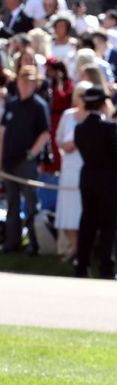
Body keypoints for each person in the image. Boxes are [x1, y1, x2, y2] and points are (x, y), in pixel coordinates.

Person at [73, 85, 117, 278]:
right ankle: (107, 268)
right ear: (103, 103)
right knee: (108, 225)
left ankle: (81, 266)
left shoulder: (79, 129)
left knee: (87, 222)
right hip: (108, 179)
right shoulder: (110, 127)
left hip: (87, 177)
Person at [0, 65, 51, 255]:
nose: (26, 85)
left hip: (26, 162)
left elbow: (45, 133)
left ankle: (34, 243)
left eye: (30, 81)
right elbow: (2, 133)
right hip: (8, 162)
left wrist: (31, 154)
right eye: (23, 80)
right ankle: (11, 243)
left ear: (35, 83)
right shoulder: (12, 104)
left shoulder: (39, 105)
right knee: (12, 203)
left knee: (31, 204)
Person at [55, 80, 92, 261]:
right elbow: (58, 139)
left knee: (83, 211)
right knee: (68, 211)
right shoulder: (67, 115)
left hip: (85, 167)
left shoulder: (94, 117)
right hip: (68, 168)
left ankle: (81, 251)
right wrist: (65, 145)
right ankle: (76, 249)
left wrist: (79, 142)